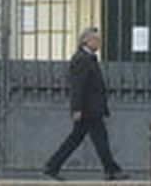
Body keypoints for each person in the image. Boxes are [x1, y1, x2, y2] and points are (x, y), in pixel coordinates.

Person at [42, 26, 125, 181]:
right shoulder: (82, 59)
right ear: (87, 41)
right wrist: (76, 108)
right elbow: (77, 87)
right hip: (88, 109)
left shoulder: (88, 58)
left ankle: (52, 166)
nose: (99, 43)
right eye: (97, 40)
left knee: (79, 138)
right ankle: (111, 169)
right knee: (99, 139)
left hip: (91, 108)